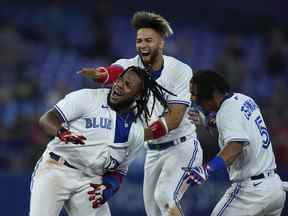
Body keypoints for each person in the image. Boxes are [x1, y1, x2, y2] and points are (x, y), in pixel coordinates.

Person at [79, 11, 203, 216]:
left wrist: (134, 135)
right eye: (139, 40)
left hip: (182, 146)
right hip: (153, 151)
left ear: (161, 43)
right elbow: (114, 72)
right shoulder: (130, 65)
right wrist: (100, 75)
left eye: (148, 40)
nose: (142, 45)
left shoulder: (180, 71)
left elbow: (173, 120)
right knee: (153, 212)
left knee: (165, 196)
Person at [29, 66, 170, 216]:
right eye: (120, 79)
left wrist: (109, 187)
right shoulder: (87, 97)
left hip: (90, 181)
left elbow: (120, 169)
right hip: (57, 168)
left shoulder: (136, 131)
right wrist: (62, 132)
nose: (120, 85)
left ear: (138, 95)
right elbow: (47, 119)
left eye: (128, 85)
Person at [182, 70, 286, 216]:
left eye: (195, 94)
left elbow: (235, 146)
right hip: (275, 188)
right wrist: (208, 121)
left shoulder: (226, 112)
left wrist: (206, 169)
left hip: (250, 193)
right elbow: (237, 125)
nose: (193, 98)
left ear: (210, 95)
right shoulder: (244, 99)